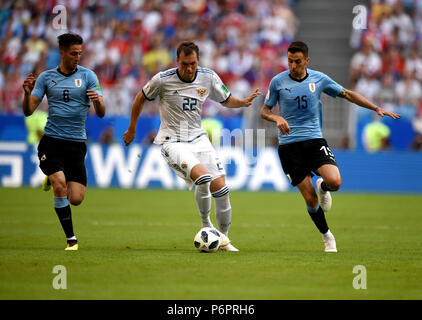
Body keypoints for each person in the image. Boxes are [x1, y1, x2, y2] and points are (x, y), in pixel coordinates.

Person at [260, 41, 400, 252]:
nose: (292, 66)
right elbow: (264, 111)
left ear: (306, 60)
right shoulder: (277, 82)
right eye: (289, 61)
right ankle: (327, 237)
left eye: (297, 61)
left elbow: (347, 94)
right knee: (309, 198)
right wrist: (276, 118)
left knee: (335, 181)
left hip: (315, 141)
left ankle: (323, 187)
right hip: (289, 147)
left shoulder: (319, 79)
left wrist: (375, 107)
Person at [123, 41, 260, 251]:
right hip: (173, 141)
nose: (189, 68)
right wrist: (132, 129)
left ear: (198, 61)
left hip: (198, 138)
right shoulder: (162, 80)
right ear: (177, 61)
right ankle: (207, 227)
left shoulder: (208, 76)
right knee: (203, 177)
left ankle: (223, 239)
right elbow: (140, 98)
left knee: (222, 189)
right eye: (185, 64)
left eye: (193, 64)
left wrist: (242, 102)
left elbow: (226, 99)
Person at [22, 33, 106, 251]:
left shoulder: (89, 76)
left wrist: (98, 102)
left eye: (80, 53)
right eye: (73, 53)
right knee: (60, 184)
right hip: (52, 142)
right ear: (62, 52)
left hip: (77, 145)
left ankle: (52, 178)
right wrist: (27, 94)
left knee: (76, 199)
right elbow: (29, 110)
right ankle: (71, 239)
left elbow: (102, 113)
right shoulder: (46, 78)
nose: (77, 57)